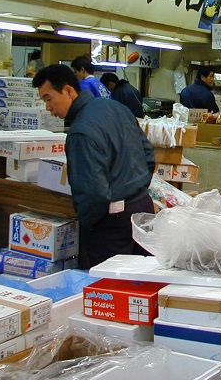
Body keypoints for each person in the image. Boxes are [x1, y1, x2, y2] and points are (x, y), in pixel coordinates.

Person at [32, 64, 155, 268]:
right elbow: (148, 154)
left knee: (112, 284)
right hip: (144, 209)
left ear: (68, 90)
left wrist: (88, 223)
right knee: (143, 280)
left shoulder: (80, 132)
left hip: (112, 224)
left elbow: (94, 193)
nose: (48, 108)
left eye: (48, 99)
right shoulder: (117, 108)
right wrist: (136, 190)